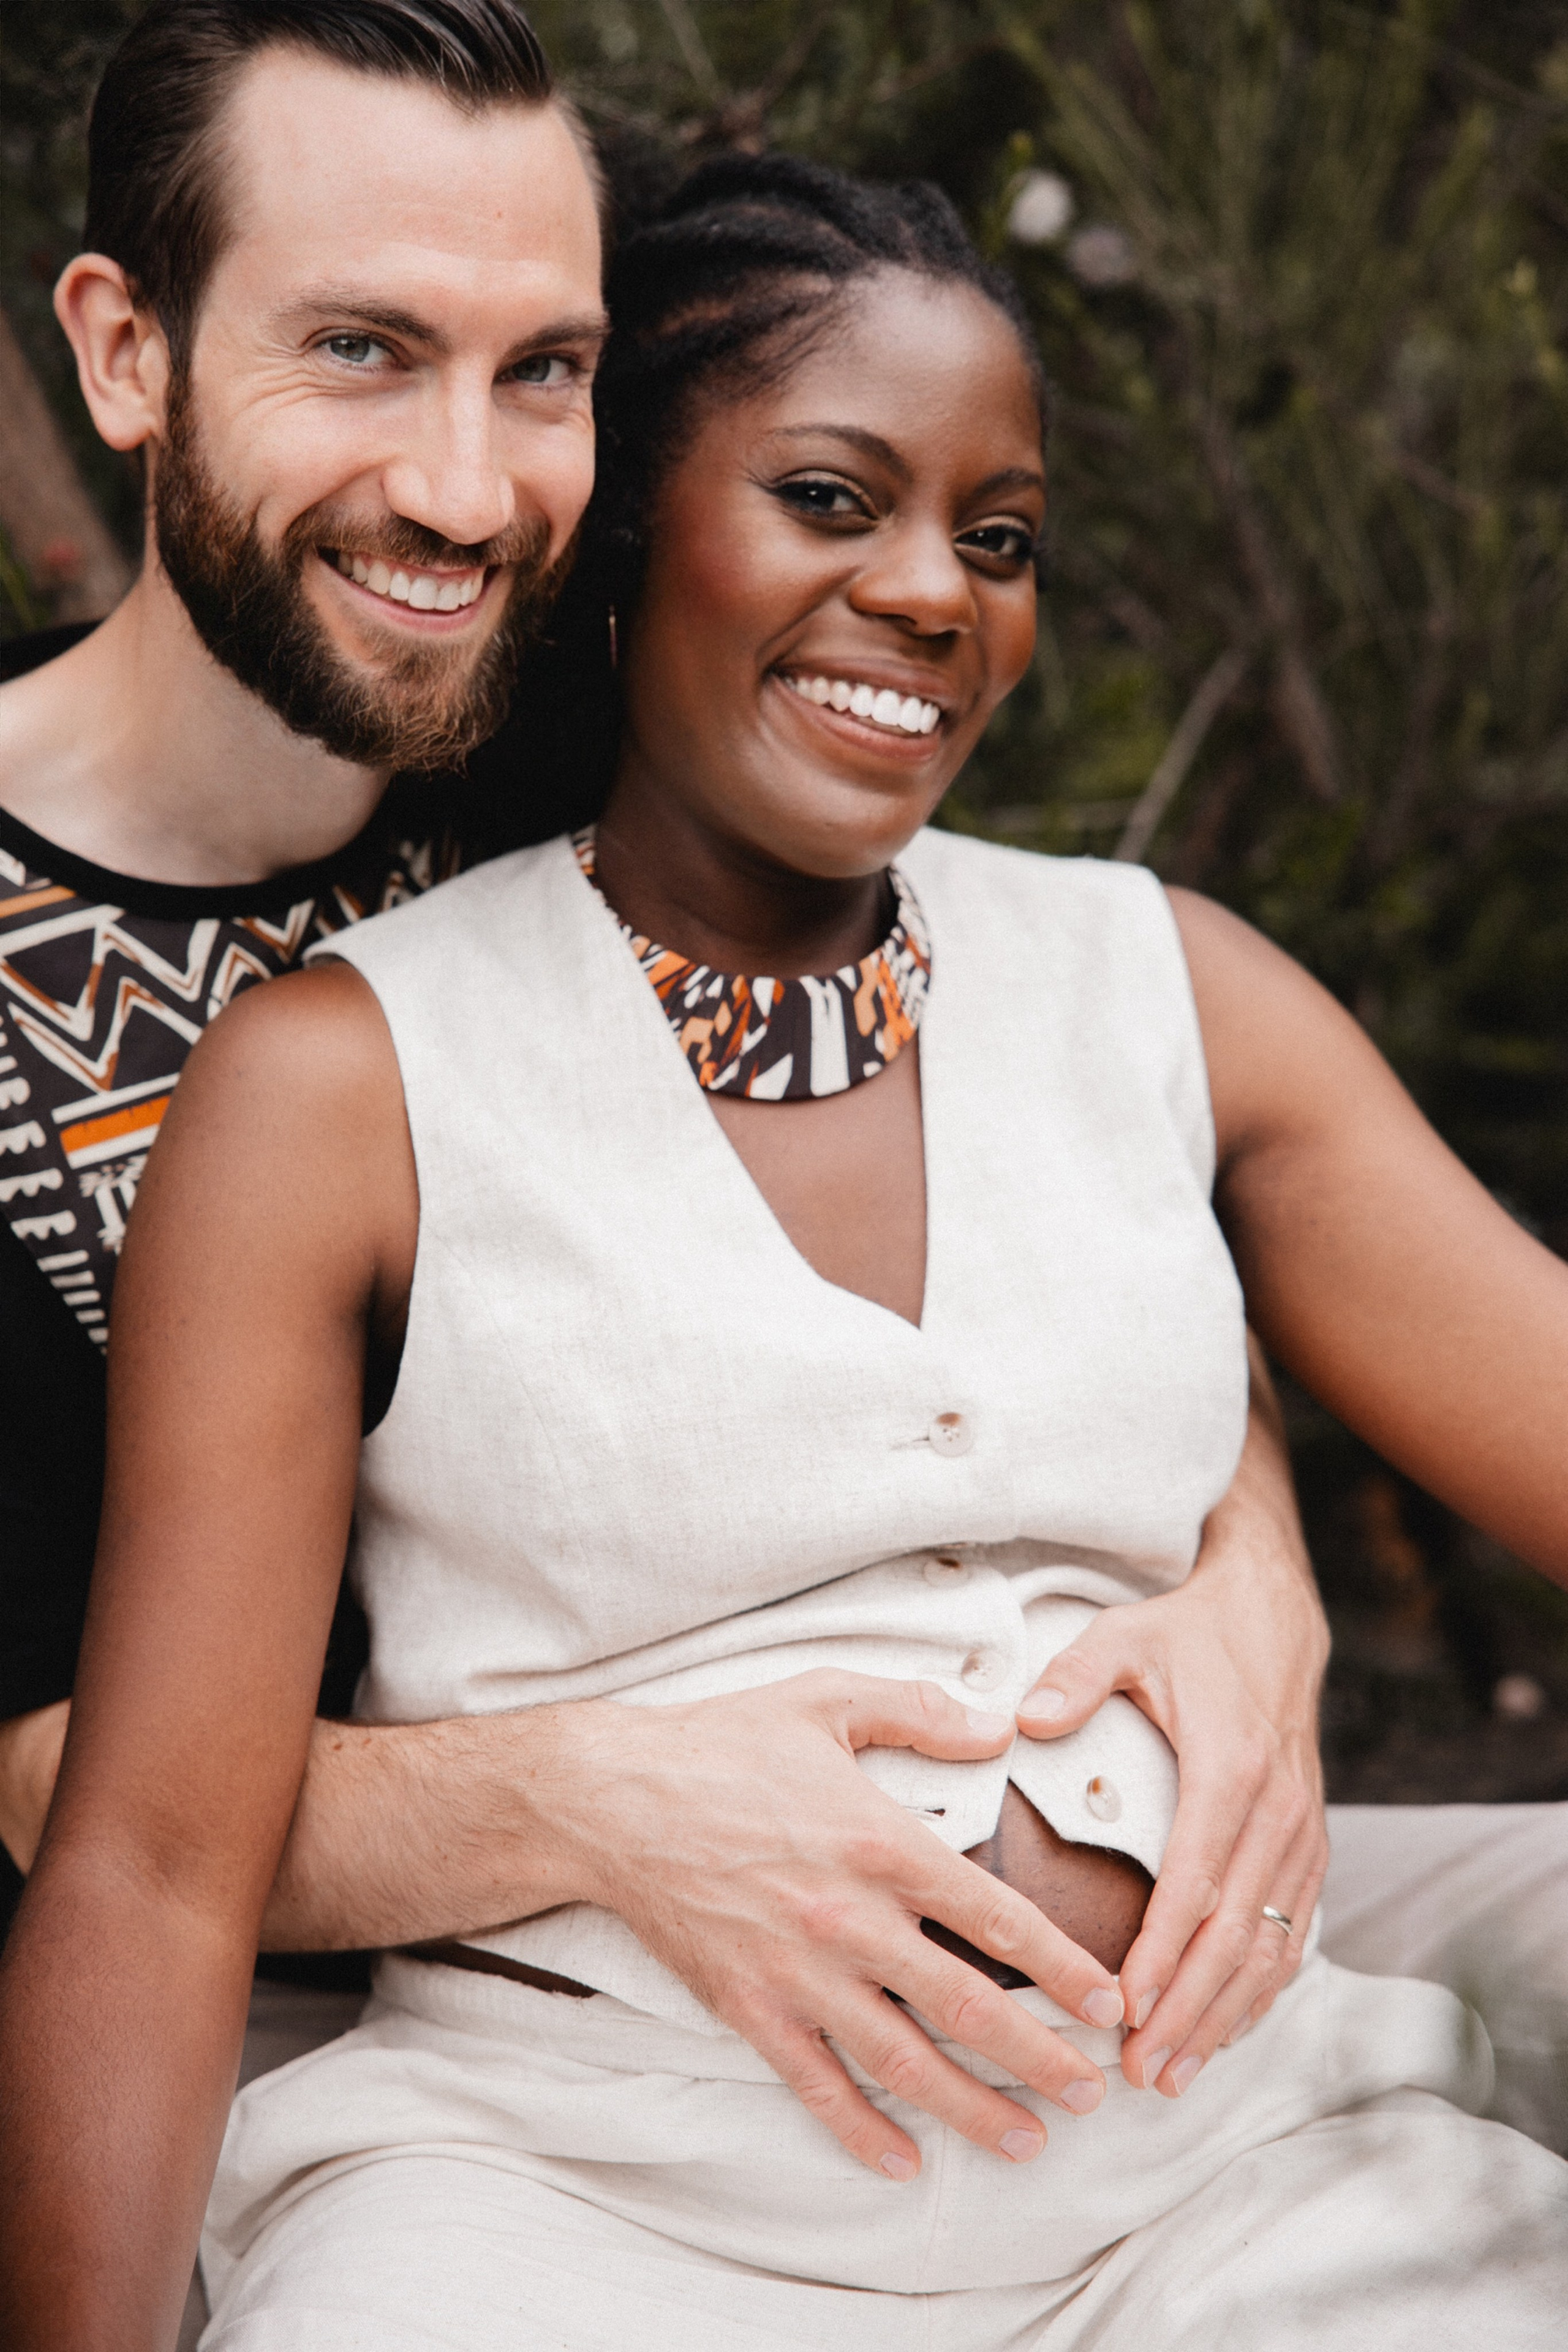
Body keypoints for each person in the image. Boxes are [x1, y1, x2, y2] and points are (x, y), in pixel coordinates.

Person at [4, 151, 1567, 2348]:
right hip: (575, 2207)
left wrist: (1260, 1577)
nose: (934, 591)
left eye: (995, 539)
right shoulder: (342, 1084)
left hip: (1229, 2176)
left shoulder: (1163, 985)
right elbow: (154, 1862)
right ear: (631, 531)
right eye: (833, 502)